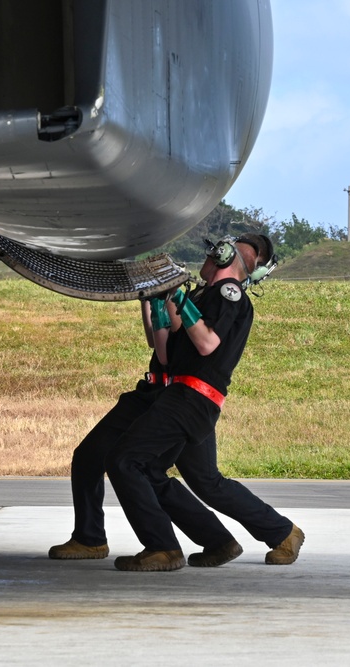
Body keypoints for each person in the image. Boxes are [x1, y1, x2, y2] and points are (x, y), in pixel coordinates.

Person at [105, 234, 304, 572]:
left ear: (226, 257)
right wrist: (153, 299)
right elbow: (163, 351)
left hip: (190, 398)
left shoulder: (230, 295)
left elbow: (208, 343)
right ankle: (275, 534)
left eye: (218, 252)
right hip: (185, 396)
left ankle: (162, 548)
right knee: (202, 481)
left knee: (125, 461)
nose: (210, 256)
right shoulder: (202, 296)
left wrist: (178, 298)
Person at [48, 299, 237, 560]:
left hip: (173, 398)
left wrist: (169, 297)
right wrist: (148, 300)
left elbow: (168, 351)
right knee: (89, 456)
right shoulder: (174, 296)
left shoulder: (190, 299)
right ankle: (90, 538)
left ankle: (178, 546)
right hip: (151, 393)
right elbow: (155, 341)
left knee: (145, 469)